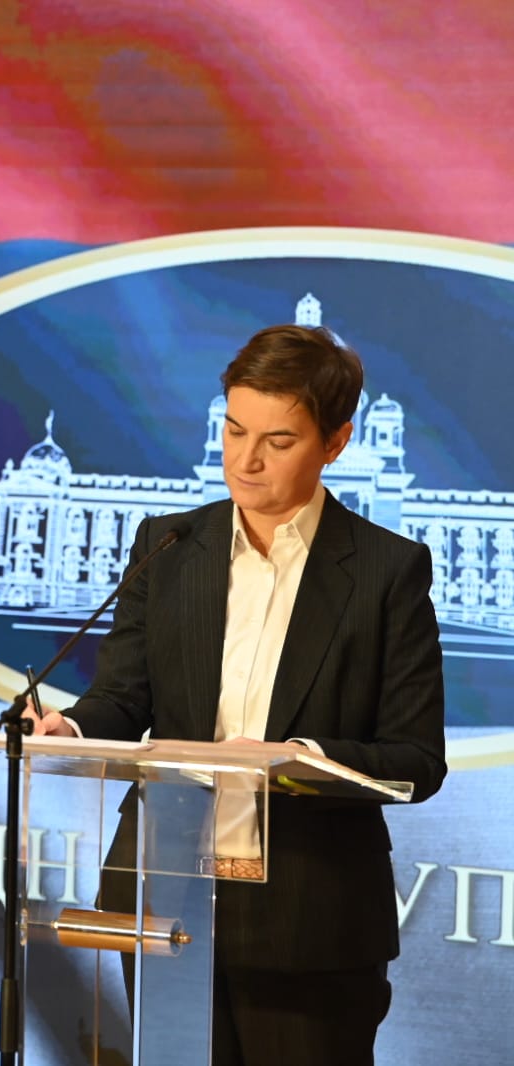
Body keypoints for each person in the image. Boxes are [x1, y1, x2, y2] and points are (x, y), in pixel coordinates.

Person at [29, 324, 446, 1066]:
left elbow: (416, 759)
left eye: (277, 441)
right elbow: (122, 697)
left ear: (336, 442)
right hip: (164, 895)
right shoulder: (167, 546)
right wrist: (71, 727)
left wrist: (295, 757)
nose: (245, 461)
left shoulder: (388, 571)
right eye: (233, 430)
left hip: (310, 916)